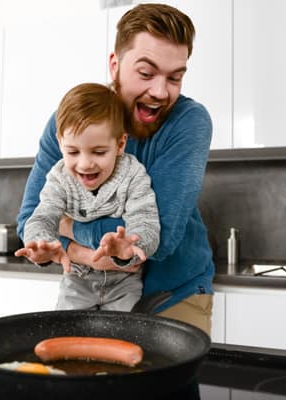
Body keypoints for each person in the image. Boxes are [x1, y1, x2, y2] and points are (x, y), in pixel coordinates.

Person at [17, 3, 215, 335]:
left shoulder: (189, 122)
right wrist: (85, 253)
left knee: (165, 388)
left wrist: (66, 226)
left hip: (173, 295)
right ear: (115, 64)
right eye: (146, 73)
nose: (160, 92)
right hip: (85, 289)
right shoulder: (69, 121)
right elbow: (29, 220)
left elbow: (158, 240)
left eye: (175, 77)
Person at [15, 82, 160, 311]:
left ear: (120, 144)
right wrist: (41, 243)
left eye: (99, 152)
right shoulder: (59, 178)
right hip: (76, 280)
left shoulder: (134, 175)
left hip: (125, 283)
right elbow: (42, 217)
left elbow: (146, 222)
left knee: (122, 342)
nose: (85, 164)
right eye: (72, 152)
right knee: (67, 342)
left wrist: (130, 247)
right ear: (60, 143)